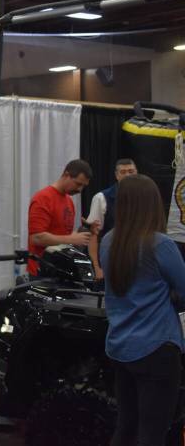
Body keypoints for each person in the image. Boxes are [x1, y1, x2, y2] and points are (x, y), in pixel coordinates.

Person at [101, 174, 185, 446]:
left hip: (120, 346)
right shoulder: (160, 244)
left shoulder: (108, 241)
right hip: (157, 348)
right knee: (152, 434)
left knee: (125, 427)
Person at [26, 159, 92, 276]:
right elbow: (36, 238)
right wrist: (71, 239)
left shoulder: (69, 202)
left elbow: (62, 234)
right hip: (42, 271)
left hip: (60, 271)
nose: (80, 189)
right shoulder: (43, 198)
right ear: (66, 175)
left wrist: (87, 230)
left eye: (83, 186)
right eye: (78, 184)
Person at [85, 158, 137, 279]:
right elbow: (93, 234)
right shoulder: (101, 198)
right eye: (123, 172)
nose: (128, 175)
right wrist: (96, 267)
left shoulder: (145, 197)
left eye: (131, 171)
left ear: (137, 173)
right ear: (116, 175)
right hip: (111, 261)